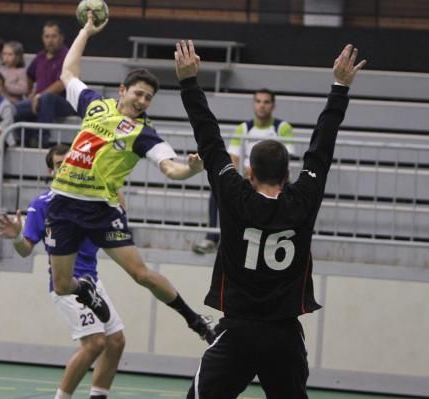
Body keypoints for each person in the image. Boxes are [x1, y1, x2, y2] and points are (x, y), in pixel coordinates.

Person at [175, 40, 365, 398]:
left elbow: (210, 140)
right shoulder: (303, 199)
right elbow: (322, 149)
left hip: (239, 333)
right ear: (289, 172)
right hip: (284, 336)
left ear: (249, 172)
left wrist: (189, 83)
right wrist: (340, 88)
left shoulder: (234, 196)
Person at [44, 13, 216, 344]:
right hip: (63, 205)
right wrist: (86, 31)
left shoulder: (143, 133)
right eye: (137, 93)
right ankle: (88, 291)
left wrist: (192, 168)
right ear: (123, 91)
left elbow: (171, 168)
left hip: (100, 210)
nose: (141, 101)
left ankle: (196, 321)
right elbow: (68, 73)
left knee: (141, 274)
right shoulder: (95, 106)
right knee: (64, 284)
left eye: (148, 98)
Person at [0, 144, 125, 399]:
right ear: (51, 171)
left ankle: (98, 395)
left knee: (116, 341)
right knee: (96, 343)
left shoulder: (95, 198)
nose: (64, 168)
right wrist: (17, 236)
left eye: (69, 162)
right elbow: (25, 249)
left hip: (92, 282)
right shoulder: (42, 204)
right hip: (67, 286)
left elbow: (119, 211)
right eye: (58, 165)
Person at [192, 88, 295, 254]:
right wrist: (245, 174)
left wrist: (261, 171)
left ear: (273, 106)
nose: (262, 106)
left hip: (274, 178)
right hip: (249, 178)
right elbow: (234, 159)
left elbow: (285, 160)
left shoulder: (282, 127)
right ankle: (212, 238)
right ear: (254, 104)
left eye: (266, 102)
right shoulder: (243, 128)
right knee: (218, 191)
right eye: (258, 101)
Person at [14, 20, 75, 148]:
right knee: (16, 108)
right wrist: (30, 92)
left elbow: (62, 83)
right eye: (47, 36)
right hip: (40, 100)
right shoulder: (40, 57)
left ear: (61, 37)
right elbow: (30, 75)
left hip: (65, 102)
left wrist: (39, 96)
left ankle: (41, 140)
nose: (50, 40)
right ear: (42, 38)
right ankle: (25, 140)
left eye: (54, 36)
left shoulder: (68, 56)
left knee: (47, 99)